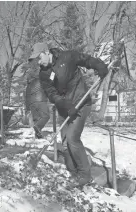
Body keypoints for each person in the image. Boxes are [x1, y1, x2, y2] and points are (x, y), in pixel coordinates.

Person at [28, 42, 108, 186]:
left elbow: (86, 59)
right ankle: (72, 172)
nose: (38, 62)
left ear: (46, 52)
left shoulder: (67, 56)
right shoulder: (44, 73)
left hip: (81, 102)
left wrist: (99, 65)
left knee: (72, 138)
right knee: (64, 142)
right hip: (64, 107)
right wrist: (64, 104)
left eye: (38, 58)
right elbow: (51, 93)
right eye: (35, 60)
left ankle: (84, 175)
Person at [25, 64, 50, 139]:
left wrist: (27, 108)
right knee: (46, 116)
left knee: (37, 119)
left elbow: (27, 97)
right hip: (41, 100)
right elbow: (51, 80)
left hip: (32, 104)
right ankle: (38, 127)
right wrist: (53, 72)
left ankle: (38, 136)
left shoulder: (28, 86)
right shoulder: (41, 80)